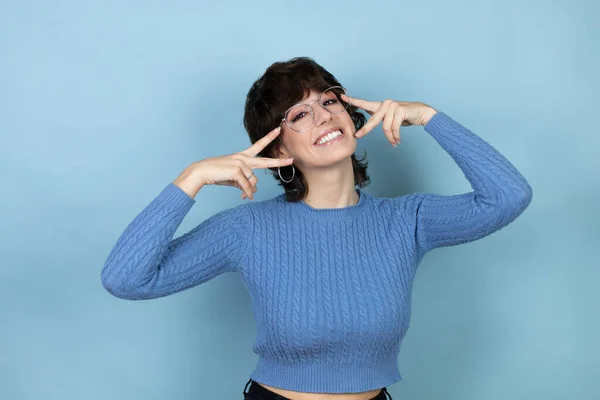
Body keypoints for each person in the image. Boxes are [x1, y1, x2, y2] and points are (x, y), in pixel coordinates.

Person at [101, 57, 533, 400]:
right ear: (277, 148)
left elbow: (507, 197)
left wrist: (429, 116)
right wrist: (192, 177)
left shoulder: (407, 221)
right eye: (299, 115)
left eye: (329, 101)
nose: (324, 116)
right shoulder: (248, 229)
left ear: (349, 113)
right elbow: (126, 279)